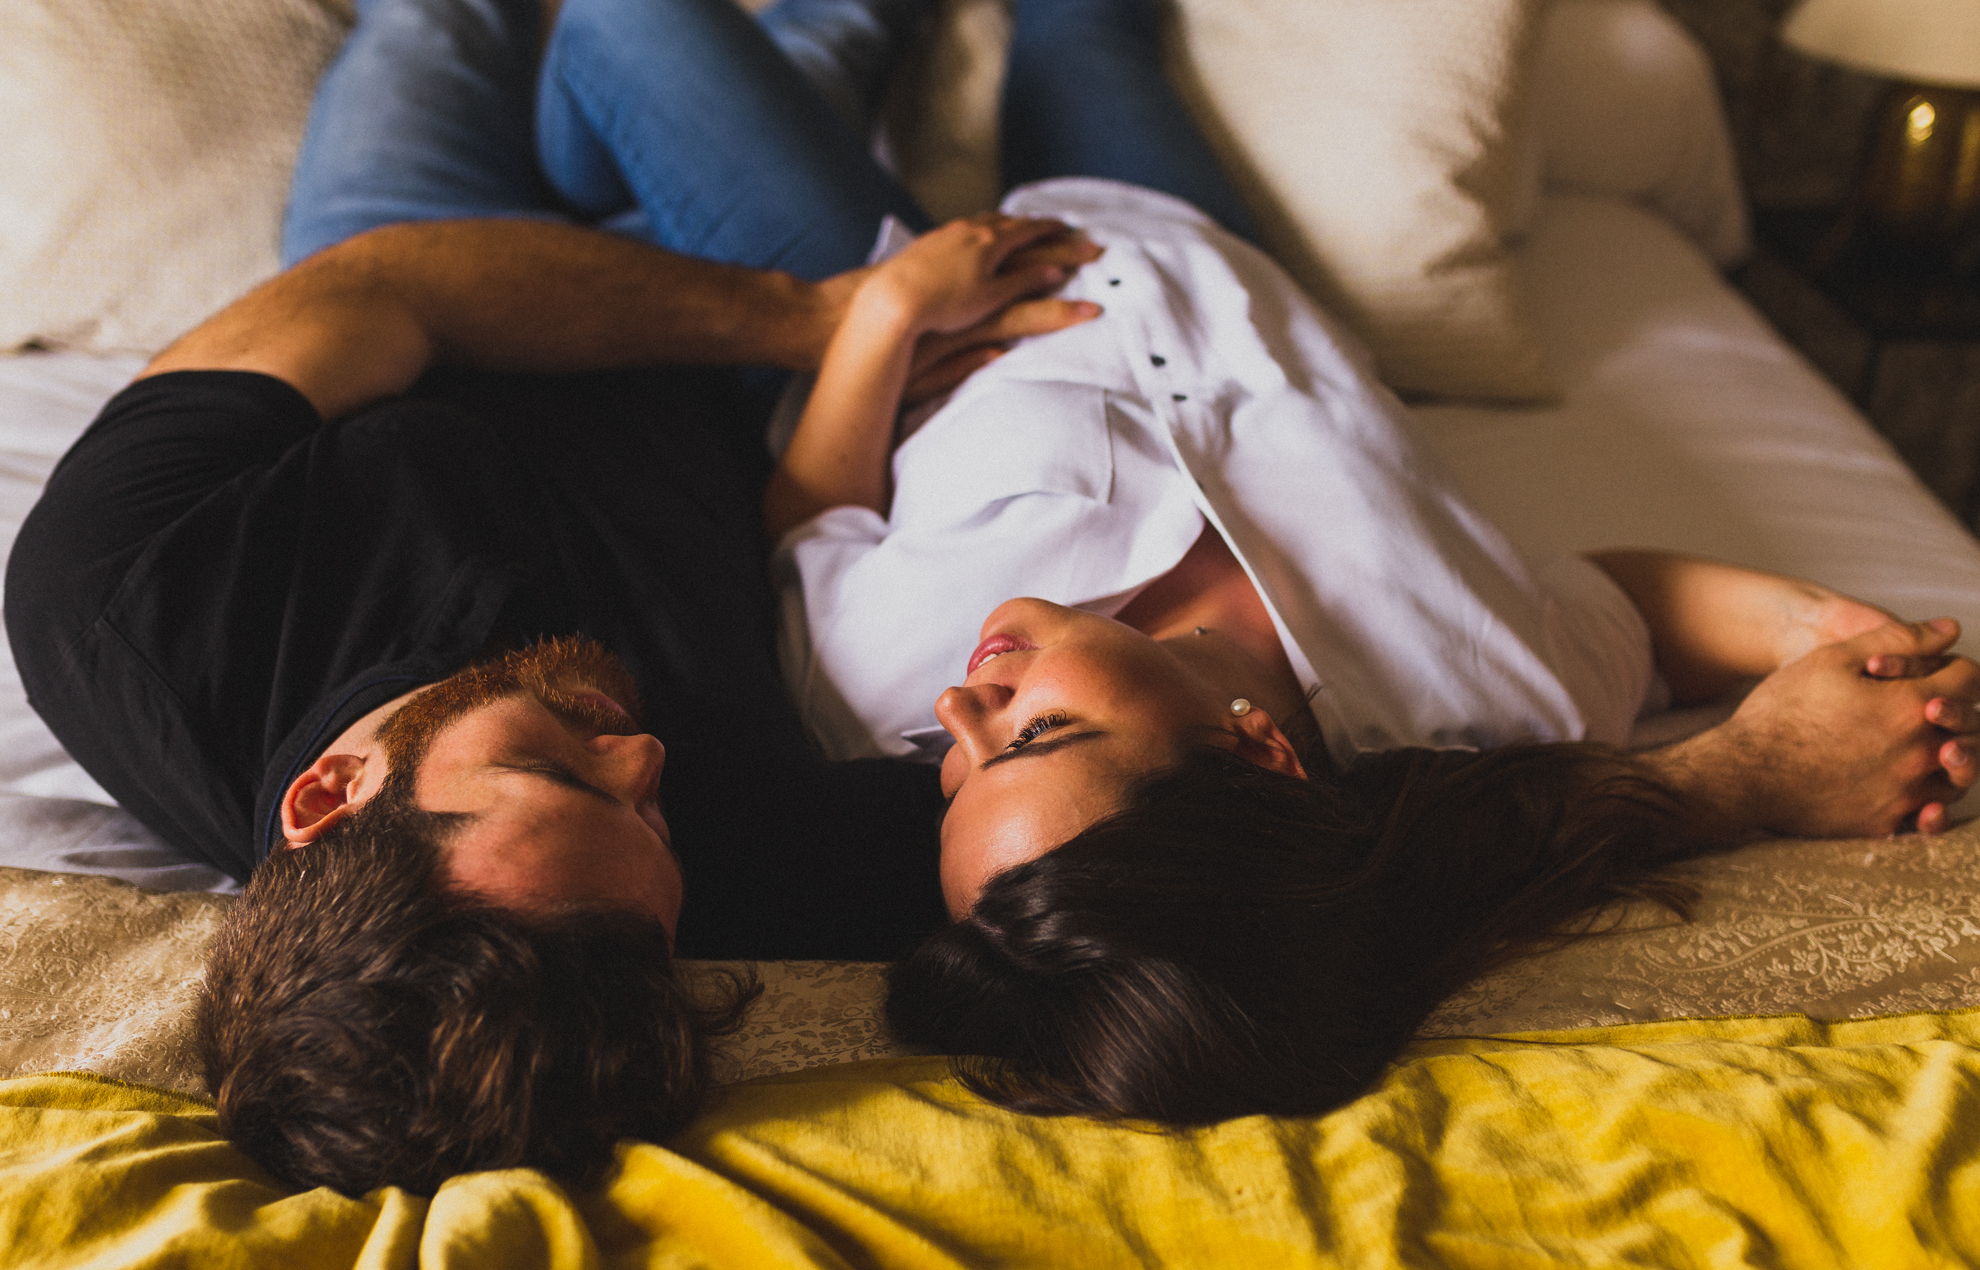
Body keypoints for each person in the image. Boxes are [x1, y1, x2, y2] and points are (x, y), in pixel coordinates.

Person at [640, 0, 1980, 1117]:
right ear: (1257, 748)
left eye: (951, 777)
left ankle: (845, 27)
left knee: (631, 25)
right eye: (1034, 734)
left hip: (871, 298)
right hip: (1183, 238)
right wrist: (1822, 630)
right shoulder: (1485, 680)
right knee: (1082, 32)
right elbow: (1633, 606)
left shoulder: (875, 692)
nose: (957, 708)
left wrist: (884, 315)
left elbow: (811, 516)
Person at [1, 0, 1095, 1195]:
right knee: (805, 39)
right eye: (654, 828)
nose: (643, 759)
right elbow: (1109, 827)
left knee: (440, 20)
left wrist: (810, 314)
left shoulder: (120, 594)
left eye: (557, 774)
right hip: (734, 379)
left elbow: (389, 292)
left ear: (330, 792)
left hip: (440, 264)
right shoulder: (717, 879)